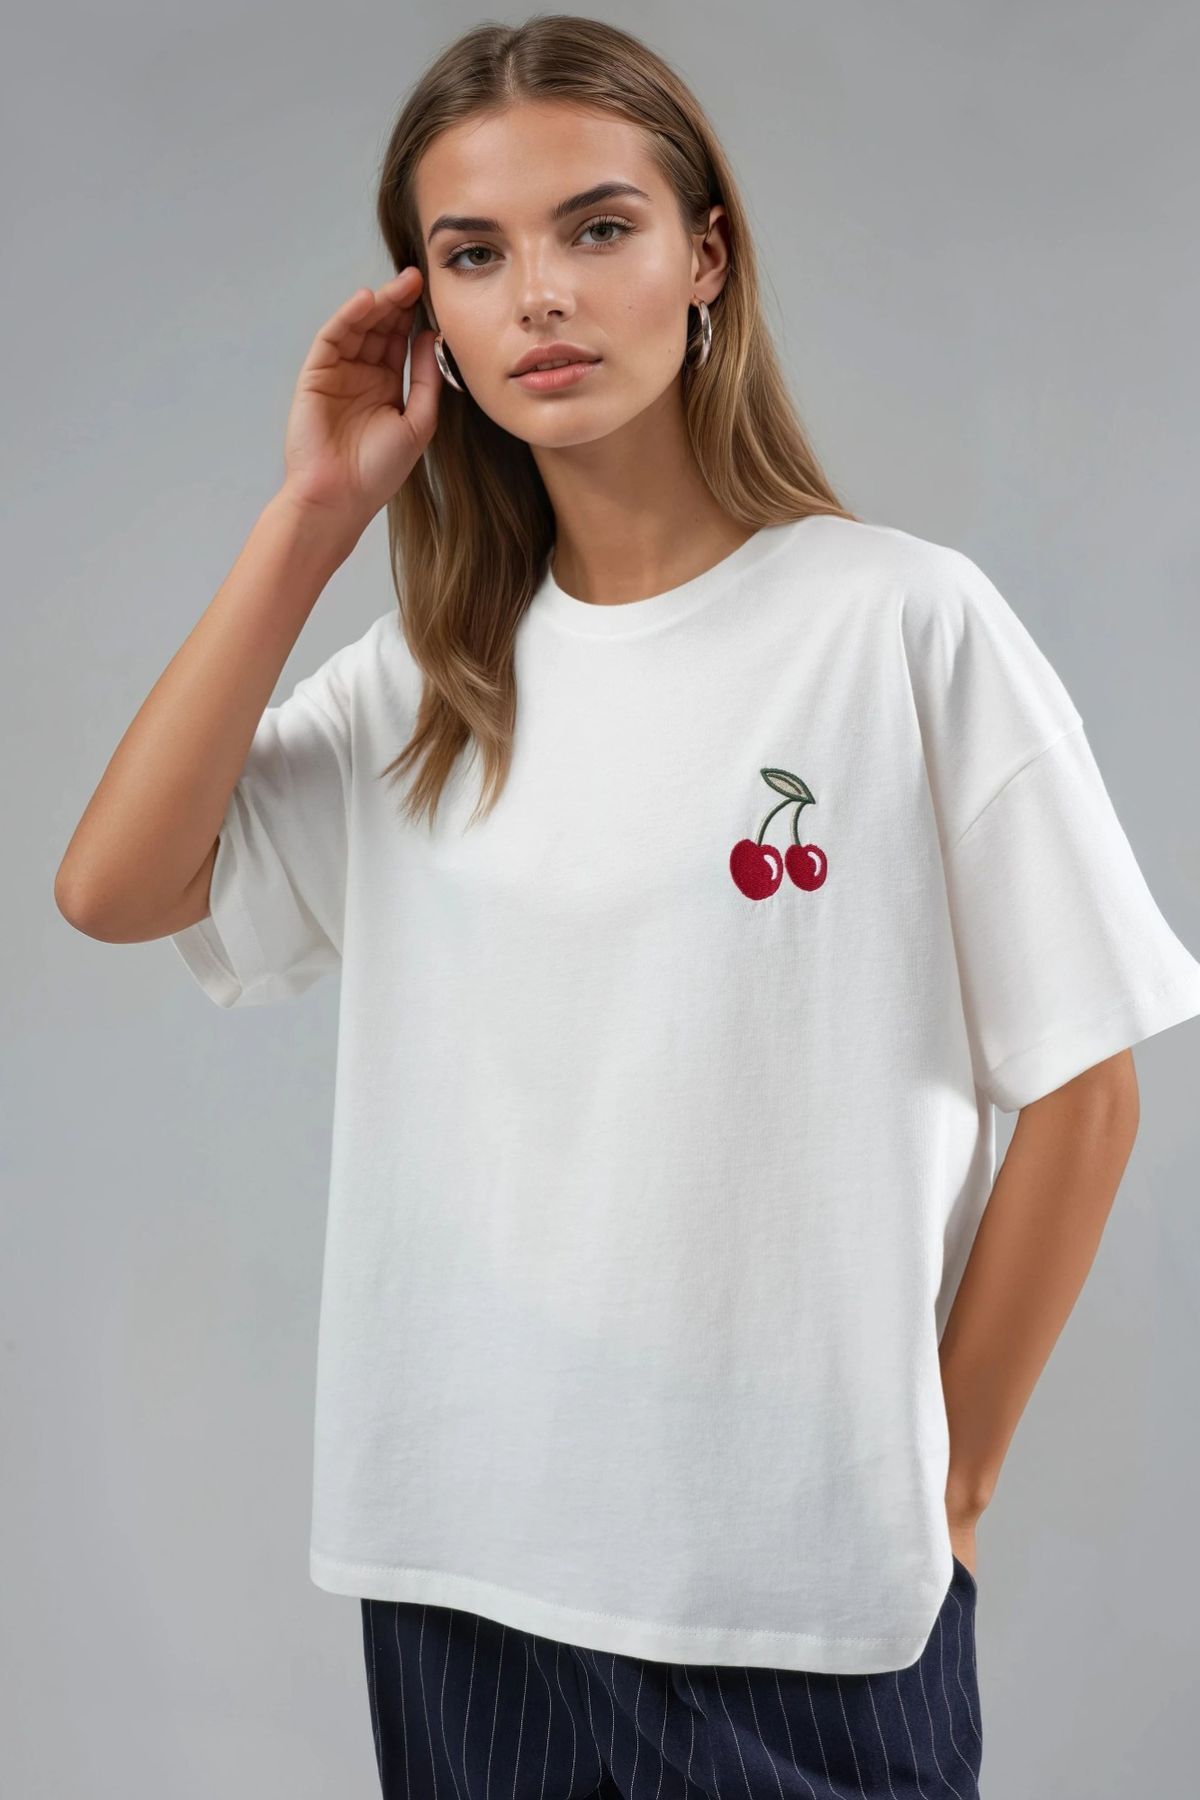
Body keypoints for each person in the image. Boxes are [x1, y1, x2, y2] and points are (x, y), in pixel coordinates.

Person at [54, 16, 1200, 1799]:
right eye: (473, 254)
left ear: (706, 256)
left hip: (808, 1606)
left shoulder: (896, 624)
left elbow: (1088, 1088)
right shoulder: (431, 678)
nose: (541, 296)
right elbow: (115, 887)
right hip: (461, 1582)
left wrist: (953, 1483)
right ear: (428, 314)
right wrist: (313, 514)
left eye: (598, 228)